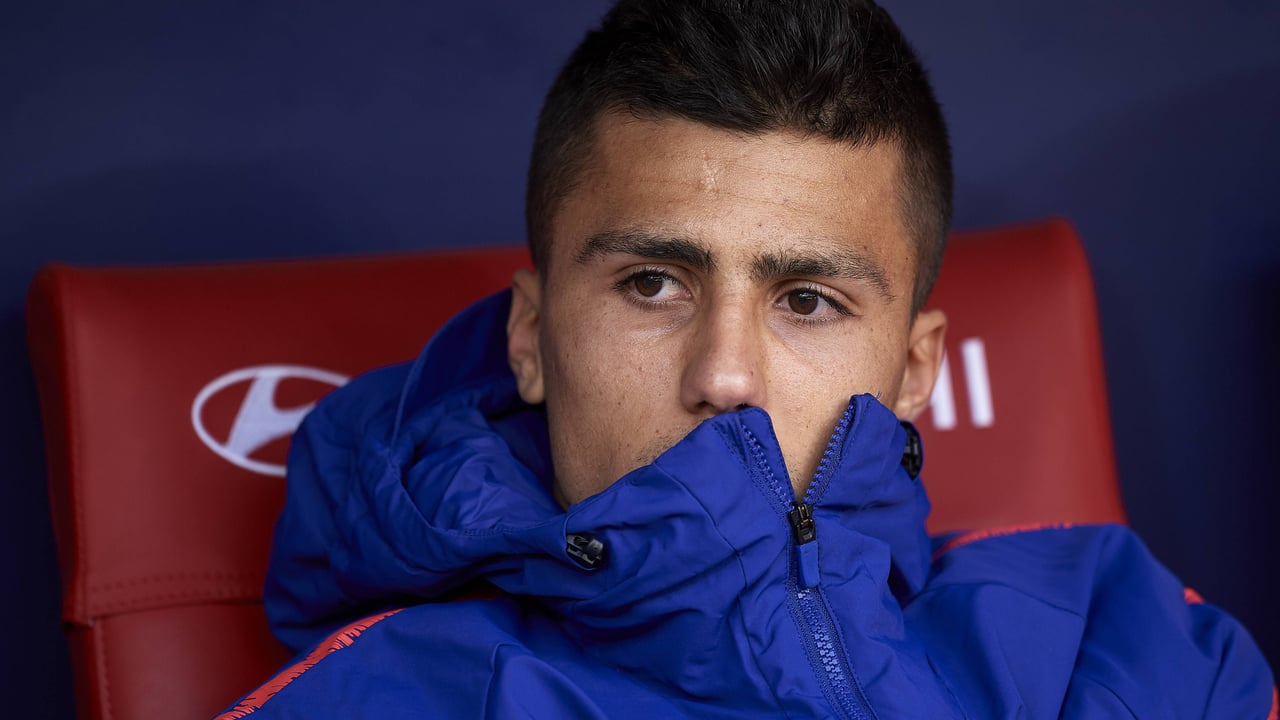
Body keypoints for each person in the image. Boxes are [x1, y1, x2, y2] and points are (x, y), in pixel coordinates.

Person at [219, 0, 1276, 717]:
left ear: (914, 372)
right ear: (529, 339)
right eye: (652, 284)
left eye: (807, 301)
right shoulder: (386, 695)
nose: (724, 376)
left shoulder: (1117, 640)